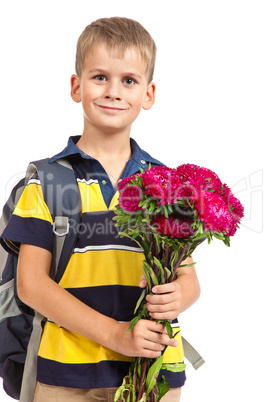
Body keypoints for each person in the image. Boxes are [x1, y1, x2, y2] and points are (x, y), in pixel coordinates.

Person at [1, 17, 200, 401]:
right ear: (76, 86)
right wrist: (114, 335)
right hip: (66, 375)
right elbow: (31, 285)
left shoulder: (164, 184)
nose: (113, 91)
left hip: (154, 371)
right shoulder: (47, 182)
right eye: (99, 77)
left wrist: (181, 294)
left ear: (149, 94)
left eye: (129, 80)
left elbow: (187, 275)